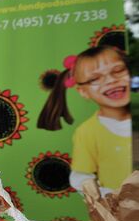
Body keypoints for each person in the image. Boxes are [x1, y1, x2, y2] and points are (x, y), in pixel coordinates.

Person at [37, 46, 132, 196]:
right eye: (94, 79)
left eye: (118, 70)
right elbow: (82, 179)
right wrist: (111, 197)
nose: (111, 80)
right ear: (83, 91)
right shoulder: (87, 132)